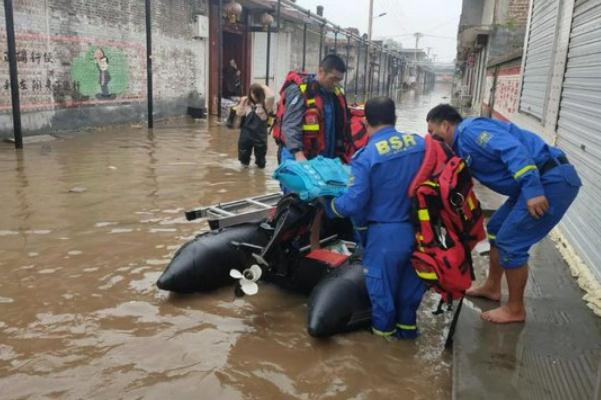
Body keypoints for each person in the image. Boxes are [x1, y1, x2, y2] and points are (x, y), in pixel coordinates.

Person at [426, 104, 581, 324]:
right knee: (497, 228)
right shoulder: (461, 146)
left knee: (511, 242)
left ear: (445, 125)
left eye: (434, 132)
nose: (432, 138)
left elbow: (512, 150)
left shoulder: (470, 131)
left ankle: (515, 309)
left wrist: (533, 190)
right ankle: (492, 287)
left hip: (550, 181)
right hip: (539, 181)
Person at [323, 97, 426, 339]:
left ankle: (382, 354)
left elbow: (354, 202)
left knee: (382, 298)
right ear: (395, 118)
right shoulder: (419, 144)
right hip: (420, 233)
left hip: (385, 237)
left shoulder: (366, 156)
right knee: (408, 297)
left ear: (365, 122)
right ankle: (408, 341)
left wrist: (331, 207)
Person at [278, 54, 352, 163]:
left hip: (325, 158)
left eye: (339, 80)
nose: (336, 84)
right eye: (333, 79)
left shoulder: (335, 95)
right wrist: (298, 155)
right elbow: (290, 126)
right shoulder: (300, 91)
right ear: (321, 71)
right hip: (298, 156)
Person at [236, 83, 269, 169]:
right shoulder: (247, 104)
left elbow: (272, 95)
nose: (253, 95)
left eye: (255, 93)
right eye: (252, 93)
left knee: (261, 162)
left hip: (260, 136)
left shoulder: (266, 104)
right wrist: (242, 103)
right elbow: (239, 113)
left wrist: (262, 86)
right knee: (244, 160)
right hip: (246, 135)